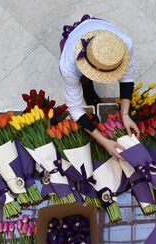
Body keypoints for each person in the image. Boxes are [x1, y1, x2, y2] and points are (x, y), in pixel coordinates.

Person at [58, 14, 139, 160]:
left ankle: (90, 91)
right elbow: (75, 109)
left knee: (88, 85)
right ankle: (88, 88)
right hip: (76, 46)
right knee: (83, 83)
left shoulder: (124, 45)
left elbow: (127, 78)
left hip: (97, 29)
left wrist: (125, 114)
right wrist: (104, 141)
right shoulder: (68, 65)